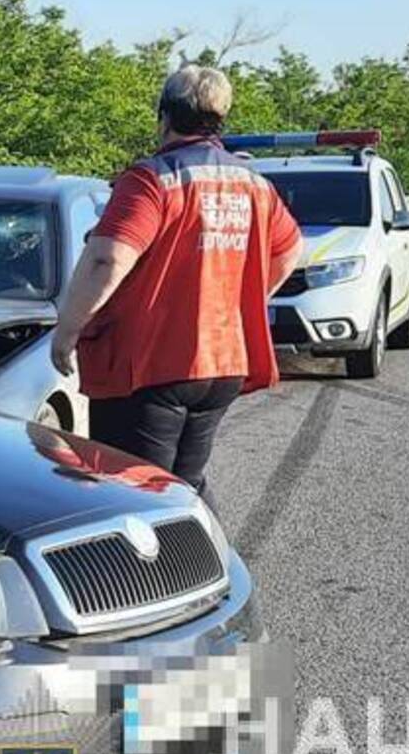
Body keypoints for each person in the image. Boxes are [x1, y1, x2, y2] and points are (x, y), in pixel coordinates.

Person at [49, 65, 302, 498]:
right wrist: (234, 305)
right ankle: (210, 544)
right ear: (220, 120)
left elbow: (107, 258)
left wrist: (67, 330)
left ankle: (175, 544)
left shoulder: (151, 180)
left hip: (152, 366)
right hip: (221, 363)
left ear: (163, 116)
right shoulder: (253, 184)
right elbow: (290, 251)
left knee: (133, 492)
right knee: (186, 486)